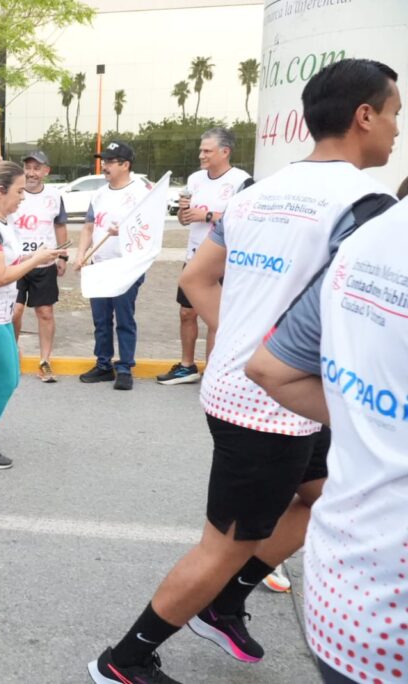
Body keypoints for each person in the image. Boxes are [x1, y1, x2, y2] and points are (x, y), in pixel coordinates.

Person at [86, 58, 400, 684]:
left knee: (317, 499)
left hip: (250, 384)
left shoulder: (255, 194)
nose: (397, 130)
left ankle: (228, 600)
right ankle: (124, 660)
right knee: (222, 544)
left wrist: (245, 341)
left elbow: (195, 279)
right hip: (277, 403)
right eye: (394, 115)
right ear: (364, 116)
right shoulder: (366, 206)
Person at [244, 190, 404, 684]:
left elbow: (270, 368)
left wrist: (370, 421)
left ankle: (230, 595)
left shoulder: (370, 236)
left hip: (344, 600)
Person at [0, 161, 65, 469]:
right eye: (18, 191)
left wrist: (36, 255)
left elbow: (6, 261)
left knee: (6, 377)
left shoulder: (2, 221)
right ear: (1, 190)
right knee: (4, 383)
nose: (22, 197)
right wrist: (37, 261)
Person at [156, 128, 250, 386]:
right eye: (201, 150)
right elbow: (185, 219)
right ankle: (187, 366)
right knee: (187, 312)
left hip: (223, 259)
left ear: (225, 152)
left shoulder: (241, 181)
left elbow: (245, 221)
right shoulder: (195, 179)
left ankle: (213, 369)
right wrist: (184, 215)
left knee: (215, 317)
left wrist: (206, 216)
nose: (201, 155)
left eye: (207, 151)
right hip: (194, 255)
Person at [74, 141, 149, 391]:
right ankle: (103, 364)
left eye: (109, 161)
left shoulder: (142, 191)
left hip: (127, 266)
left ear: (125, 165)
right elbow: (88, 226)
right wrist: (81, 255)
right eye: (103, 161)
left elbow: (150, 229)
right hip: (99, 265)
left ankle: (125, 366)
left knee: (124, 319)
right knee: (101, 319)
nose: (104, 166)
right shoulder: (99, 194)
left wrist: (126, 231)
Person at [7, 150, 68, 382]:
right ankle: (12, 354)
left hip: (45, 263)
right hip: (17, 262)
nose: (31, 173)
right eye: (28, 167)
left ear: (45, 171)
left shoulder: (55, 196)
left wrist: (63, 256)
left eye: (36, 168)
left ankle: (45, 362)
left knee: (45, 313)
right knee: (15, 311)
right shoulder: (13, 191)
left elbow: (60, 226)